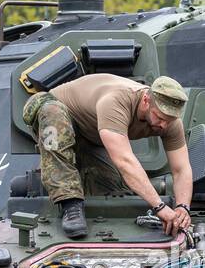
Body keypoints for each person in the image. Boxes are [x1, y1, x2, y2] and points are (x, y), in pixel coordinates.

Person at [22, 73, 193, 239]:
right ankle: (70, 205)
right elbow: (125, 161)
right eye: (160, 117)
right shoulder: (116, 101)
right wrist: (160, 207)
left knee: (113, 191)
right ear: (147, 101)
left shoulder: (170, 122)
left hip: (91, 136)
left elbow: (181, 169)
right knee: (53, 113)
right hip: (54, 110)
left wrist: (183, 207)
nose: (164, 125)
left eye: (169, 120)